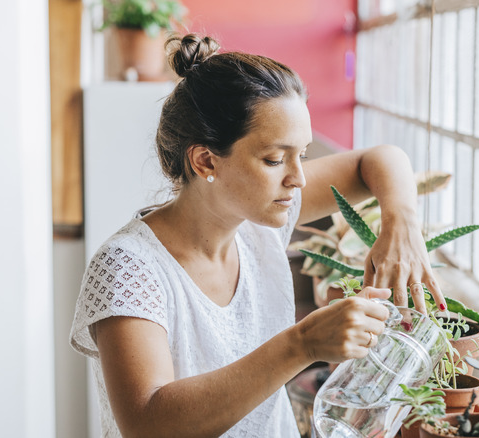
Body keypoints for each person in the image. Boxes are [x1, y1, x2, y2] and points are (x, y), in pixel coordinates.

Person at [70, 33, 447, 438]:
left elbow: (381, 159)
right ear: (205, 160)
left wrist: (402, 223)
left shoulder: (258, 218)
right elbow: (148, 423)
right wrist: (302, 343)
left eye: (301, 155)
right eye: (274, 159)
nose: (298, 178)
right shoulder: (129, 266)